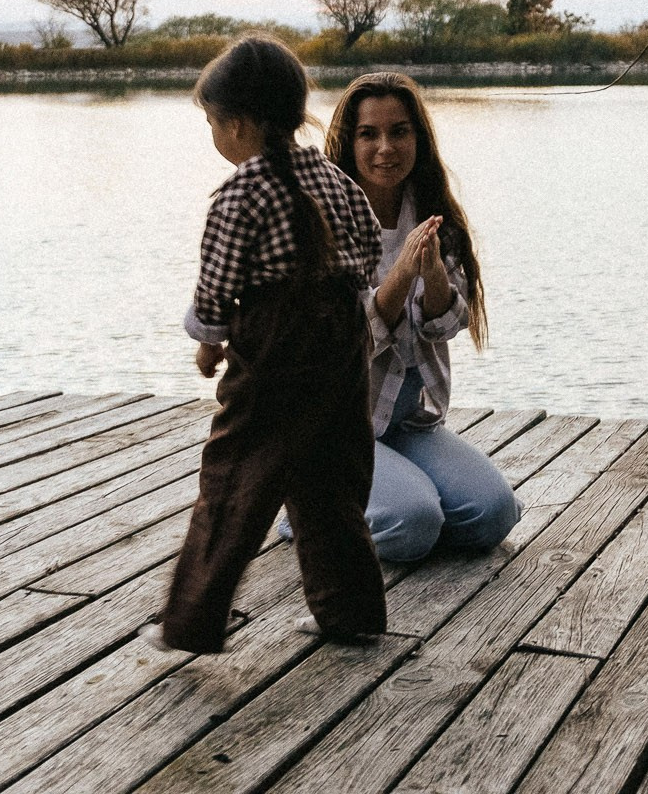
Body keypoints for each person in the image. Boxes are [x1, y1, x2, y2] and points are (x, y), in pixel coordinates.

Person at [146, 35, 386, 653]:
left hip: (276, 342)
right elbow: (367, 259)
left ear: (240, 123)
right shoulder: (335, 179)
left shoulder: (241, 193)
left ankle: (193, 619)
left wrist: (208, 343)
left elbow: (217, 285)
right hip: (342, 343)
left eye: (212, 122)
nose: (213, 134)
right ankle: (350, 611)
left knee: (236, 476)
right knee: (332, 480)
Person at [324, 71, 520, 561]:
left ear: (419, 138)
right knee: (413, 524)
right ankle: (308, 508)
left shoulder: (433, 215)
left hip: (408, 418)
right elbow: (347, 339)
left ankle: (387, 508)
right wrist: (402, 270)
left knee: (494, 514)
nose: (385, 147)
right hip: (335, 424)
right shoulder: (326, 220)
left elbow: (446, 325)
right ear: (348, 142)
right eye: (368, 134)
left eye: (400, 131)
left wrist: (431, 272)